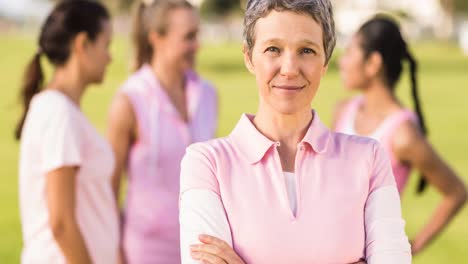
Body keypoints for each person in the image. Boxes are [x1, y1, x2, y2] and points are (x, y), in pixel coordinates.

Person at [179, 1, 411, 263]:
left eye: (307, 51)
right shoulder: (207, 164)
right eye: (273, 49)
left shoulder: (369, 158)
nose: (289, 69)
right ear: (248, 57)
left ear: (325, 60)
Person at [333, 15, 467, 255]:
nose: (342, 62)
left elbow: (456, 192)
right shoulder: (343, 111)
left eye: (350, 52)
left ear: (373, 63)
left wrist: (412, 248)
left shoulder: (402, 134)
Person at [107, 0, 218, 262]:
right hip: (144, 251)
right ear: (157, 39)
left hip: (197, 250)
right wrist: (116, 254)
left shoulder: (208, 94)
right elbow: (109, 190)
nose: (197, 45)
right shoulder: (129, 101)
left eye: (197, 35)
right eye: (189, 37)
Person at [16, 1, 117, 263]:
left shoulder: (62, 111)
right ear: (83, 44)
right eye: (106, 45)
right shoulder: (58, 113)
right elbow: (61, 223)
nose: (110, 57)